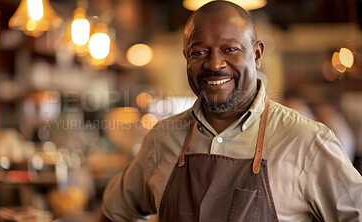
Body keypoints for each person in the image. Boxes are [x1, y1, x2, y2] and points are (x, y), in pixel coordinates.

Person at [100, 1, 362, 221]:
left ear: (257, 55)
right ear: (186, 58)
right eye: (199, 51)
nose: (214, 64)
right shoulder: (162, 139)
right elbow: (113, 213)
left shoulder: (307, 142)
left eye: (230, 49)